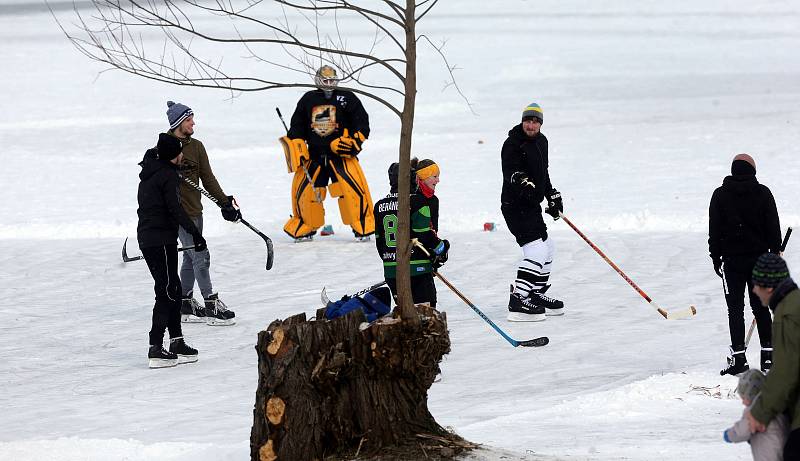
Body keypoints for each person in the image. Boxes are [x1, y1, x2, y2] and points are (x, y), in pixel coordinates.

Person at [165, 101, 240, 327]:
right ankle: (211, 304)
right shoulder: (165, 146)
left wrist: (224, 202)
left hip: (196, 211)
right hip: (177, 214)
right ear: (178, 123)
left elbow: (208, 178)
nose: (193, 123)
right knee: (200, 254)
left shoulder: (197, 146)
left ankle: (185, 302)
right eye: (189, 120)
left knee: (190, 256)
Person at [280, 65, 375, 241]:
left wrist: (355, 142)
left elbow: (362, 122)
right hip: (314, 156)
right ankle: (306, 225)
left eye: (332, 80)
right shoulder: (308, 99)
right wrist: (296, 145)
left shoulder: (347, 97)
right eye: (325, 80)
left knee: (352, 191)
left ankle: (362, 225)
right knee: (307, 193)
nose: (329, 84)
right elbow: (297, 126)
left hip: (341, 156)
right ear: (318, 81)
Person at [709, 153, 781, 375]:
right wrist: (774, 251)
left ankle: (739, 360)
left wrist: (715, 257)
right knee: (761, 308)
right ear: (752, 171)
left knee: (735, 310)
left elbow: (715, 230)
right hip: (759, 260)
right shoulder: (763, 193)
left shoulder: (720, 195)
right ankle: (769, 358)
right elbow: (773, 227)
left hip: (731, 262)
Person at [137, 133, 203, 368]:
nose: (182, 155)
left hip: (152, 238)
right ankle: (155, 347)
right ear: (171, 155)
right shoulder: (166, 175)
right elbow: (175, 209)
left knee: (173, 287)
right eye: (178, 151)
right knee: (166, 290)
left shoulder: (152, 170)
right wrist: (195, 234)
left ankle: (176, 341)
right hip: (159, 239)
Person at [500, 102, 564, 322]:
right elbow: (510, 171)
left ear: (541, 124)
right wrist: (521, 180)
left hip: (532, 206)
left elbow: (542, 173)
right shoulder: (512, 144)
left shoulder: (542, 142)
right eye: (528, 120)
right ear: (522, 121)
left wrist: (551, 195)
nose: (531, 125)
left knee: (548, 247)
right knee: (536, 251)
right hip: (514, 205)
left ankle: (534, 294)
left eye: (535, 121)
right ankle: (518, 299)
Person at [744, 253, 800, 460]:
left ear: (768, 287)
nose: (753, 290)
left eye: (756, 284)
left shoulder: (786, 315)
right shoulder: (794, 303)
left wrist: (759, 413)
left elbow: (784, 374)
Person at [374, 158, 449, 307]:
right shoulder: (418, 202)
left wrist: (392, 262)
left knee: (406, 318)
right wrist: (442, 248)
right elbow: (424, 236)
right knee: (425, 318)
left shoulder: (379, 206)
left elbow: (379, 242)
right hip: (418, 270)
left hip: (392, 272)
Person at [724, 368, 789, 461]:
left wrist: (729, 435)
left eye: (743, 397)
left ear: (751, 395)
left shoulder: (755, 411)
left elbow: (743, 430)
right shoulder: (774, 405)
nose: (742, 402)